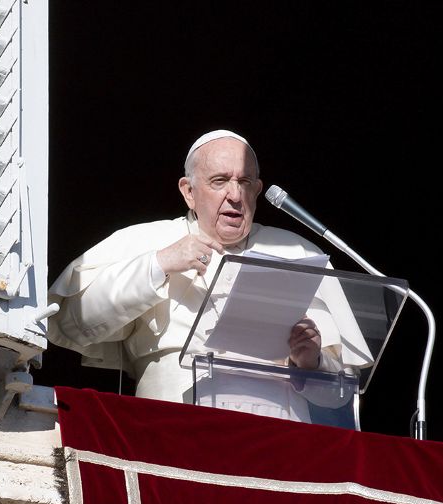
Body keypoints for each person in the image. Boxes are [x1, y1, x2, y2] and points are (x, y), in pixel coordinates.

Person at [48, 130, 370, 423]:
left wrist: (312, 363)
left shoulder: (297, 254)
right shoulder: (148, 242)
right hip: (170, 434)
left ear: (257, 191)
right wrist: (158, 265)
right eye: (219, 181)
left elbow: (341, 397)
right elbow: (72, 323)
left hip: (278, 448)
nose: (234, 194)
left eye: (244, 182)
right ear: (189, 191)